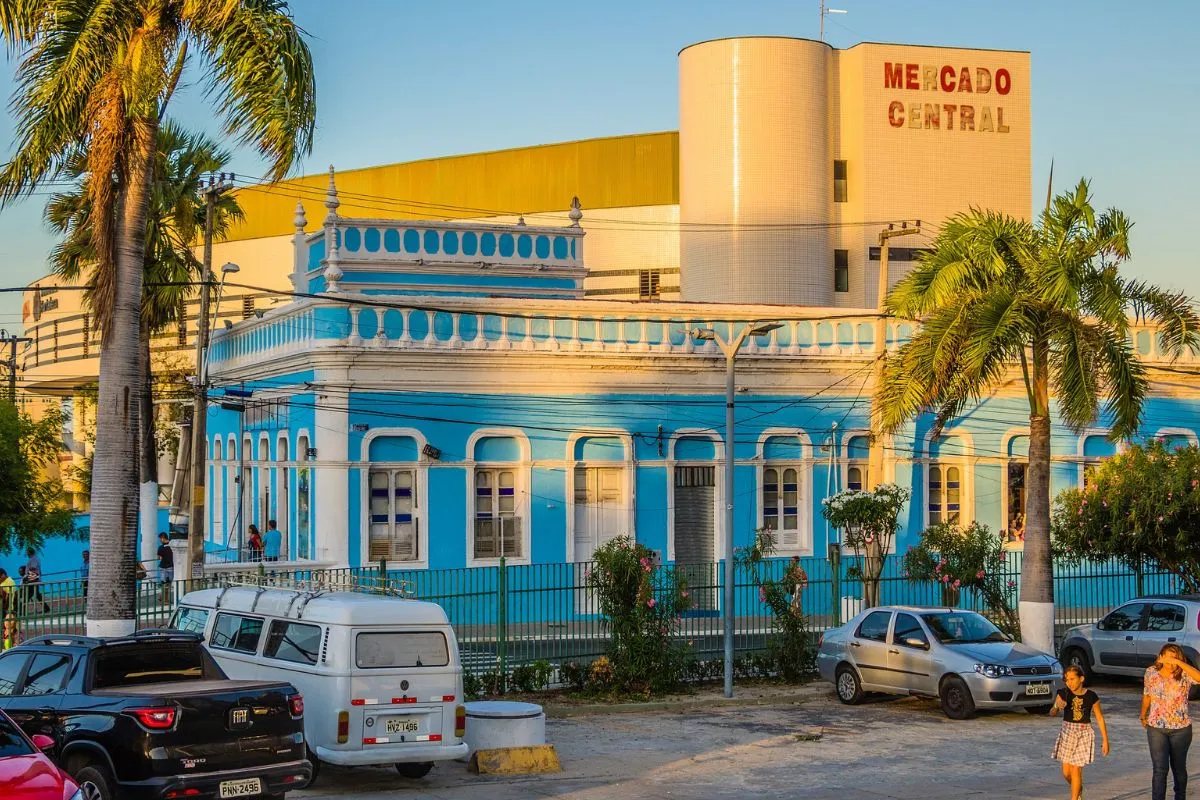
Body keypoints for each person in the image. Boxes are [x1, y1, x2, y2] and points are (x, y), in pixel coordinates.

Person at [1142, 643, 1200, 800]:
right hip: (1156, 727)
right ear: (1160, 657)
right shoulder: (1151, 672)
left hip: (1181, 729)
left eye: (1174, 658)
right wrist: (1143, 714)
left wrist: (1180, 663)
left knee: (1179, 768)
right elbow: (1147, 694)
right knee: (1160, 769)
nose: (1170, 662)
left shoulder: (1185, 674)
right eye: (1167, 658)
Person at [1050, 664, 1110, 800]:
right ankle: (1077, 790)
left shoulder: (1091, 696)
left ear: (1081, 678)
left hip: (1084, 733)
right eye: (1066, 679)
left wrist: (1105, 740)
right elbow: (1052, 713)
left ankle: (1074, 797)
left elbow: (1100, 718)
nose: (1069, 683)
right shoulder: (1063, 693)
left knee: (1076, 769)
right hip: (1067, 733)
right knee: (1066, 772)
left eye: (1072, 679)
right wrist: (1056, 707)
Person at [23, 548, 48, 613]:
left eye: (27, 553)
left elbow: (33, 569)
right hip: (34, 579)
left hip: (33, 579)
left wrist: (27, 578)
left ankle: (22, 610)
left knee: (28, 595)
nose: (27, 554)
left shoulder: (33, 559)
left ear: (30, 553)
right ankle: (46, 608)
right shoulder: (34, 559)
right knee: (36, 595)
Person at [157, 533, 174, 605]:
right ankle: (165, 599)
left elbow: (159, 558)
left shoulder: (160, 548)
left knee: (164, 583)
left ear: (162, 538)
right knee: (168, 583)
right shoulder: (172, 545)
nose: (160, 540)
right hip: (170, 566)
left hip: (163, 567)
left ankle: (163, 598)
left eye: (160, 539)